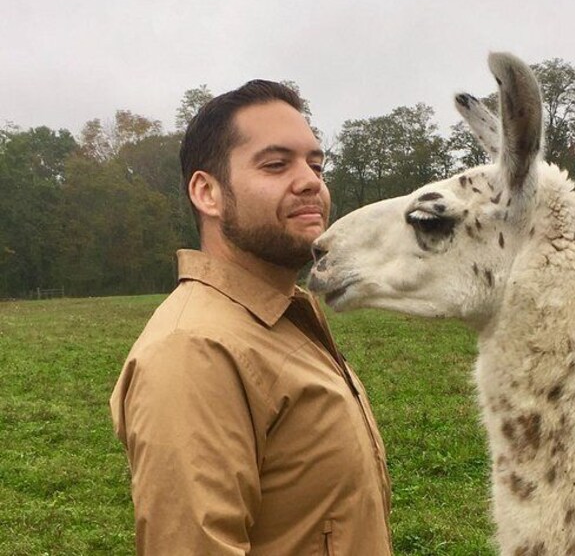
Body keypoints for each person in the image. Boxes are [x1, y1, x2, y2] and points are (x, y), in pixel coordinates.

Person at [109, 80, 392, 555]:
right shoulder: (194, 349)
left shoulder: (285, 318)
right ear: (208, 193)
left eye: (316, 165)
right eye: (276, 165)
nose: (310, 182)